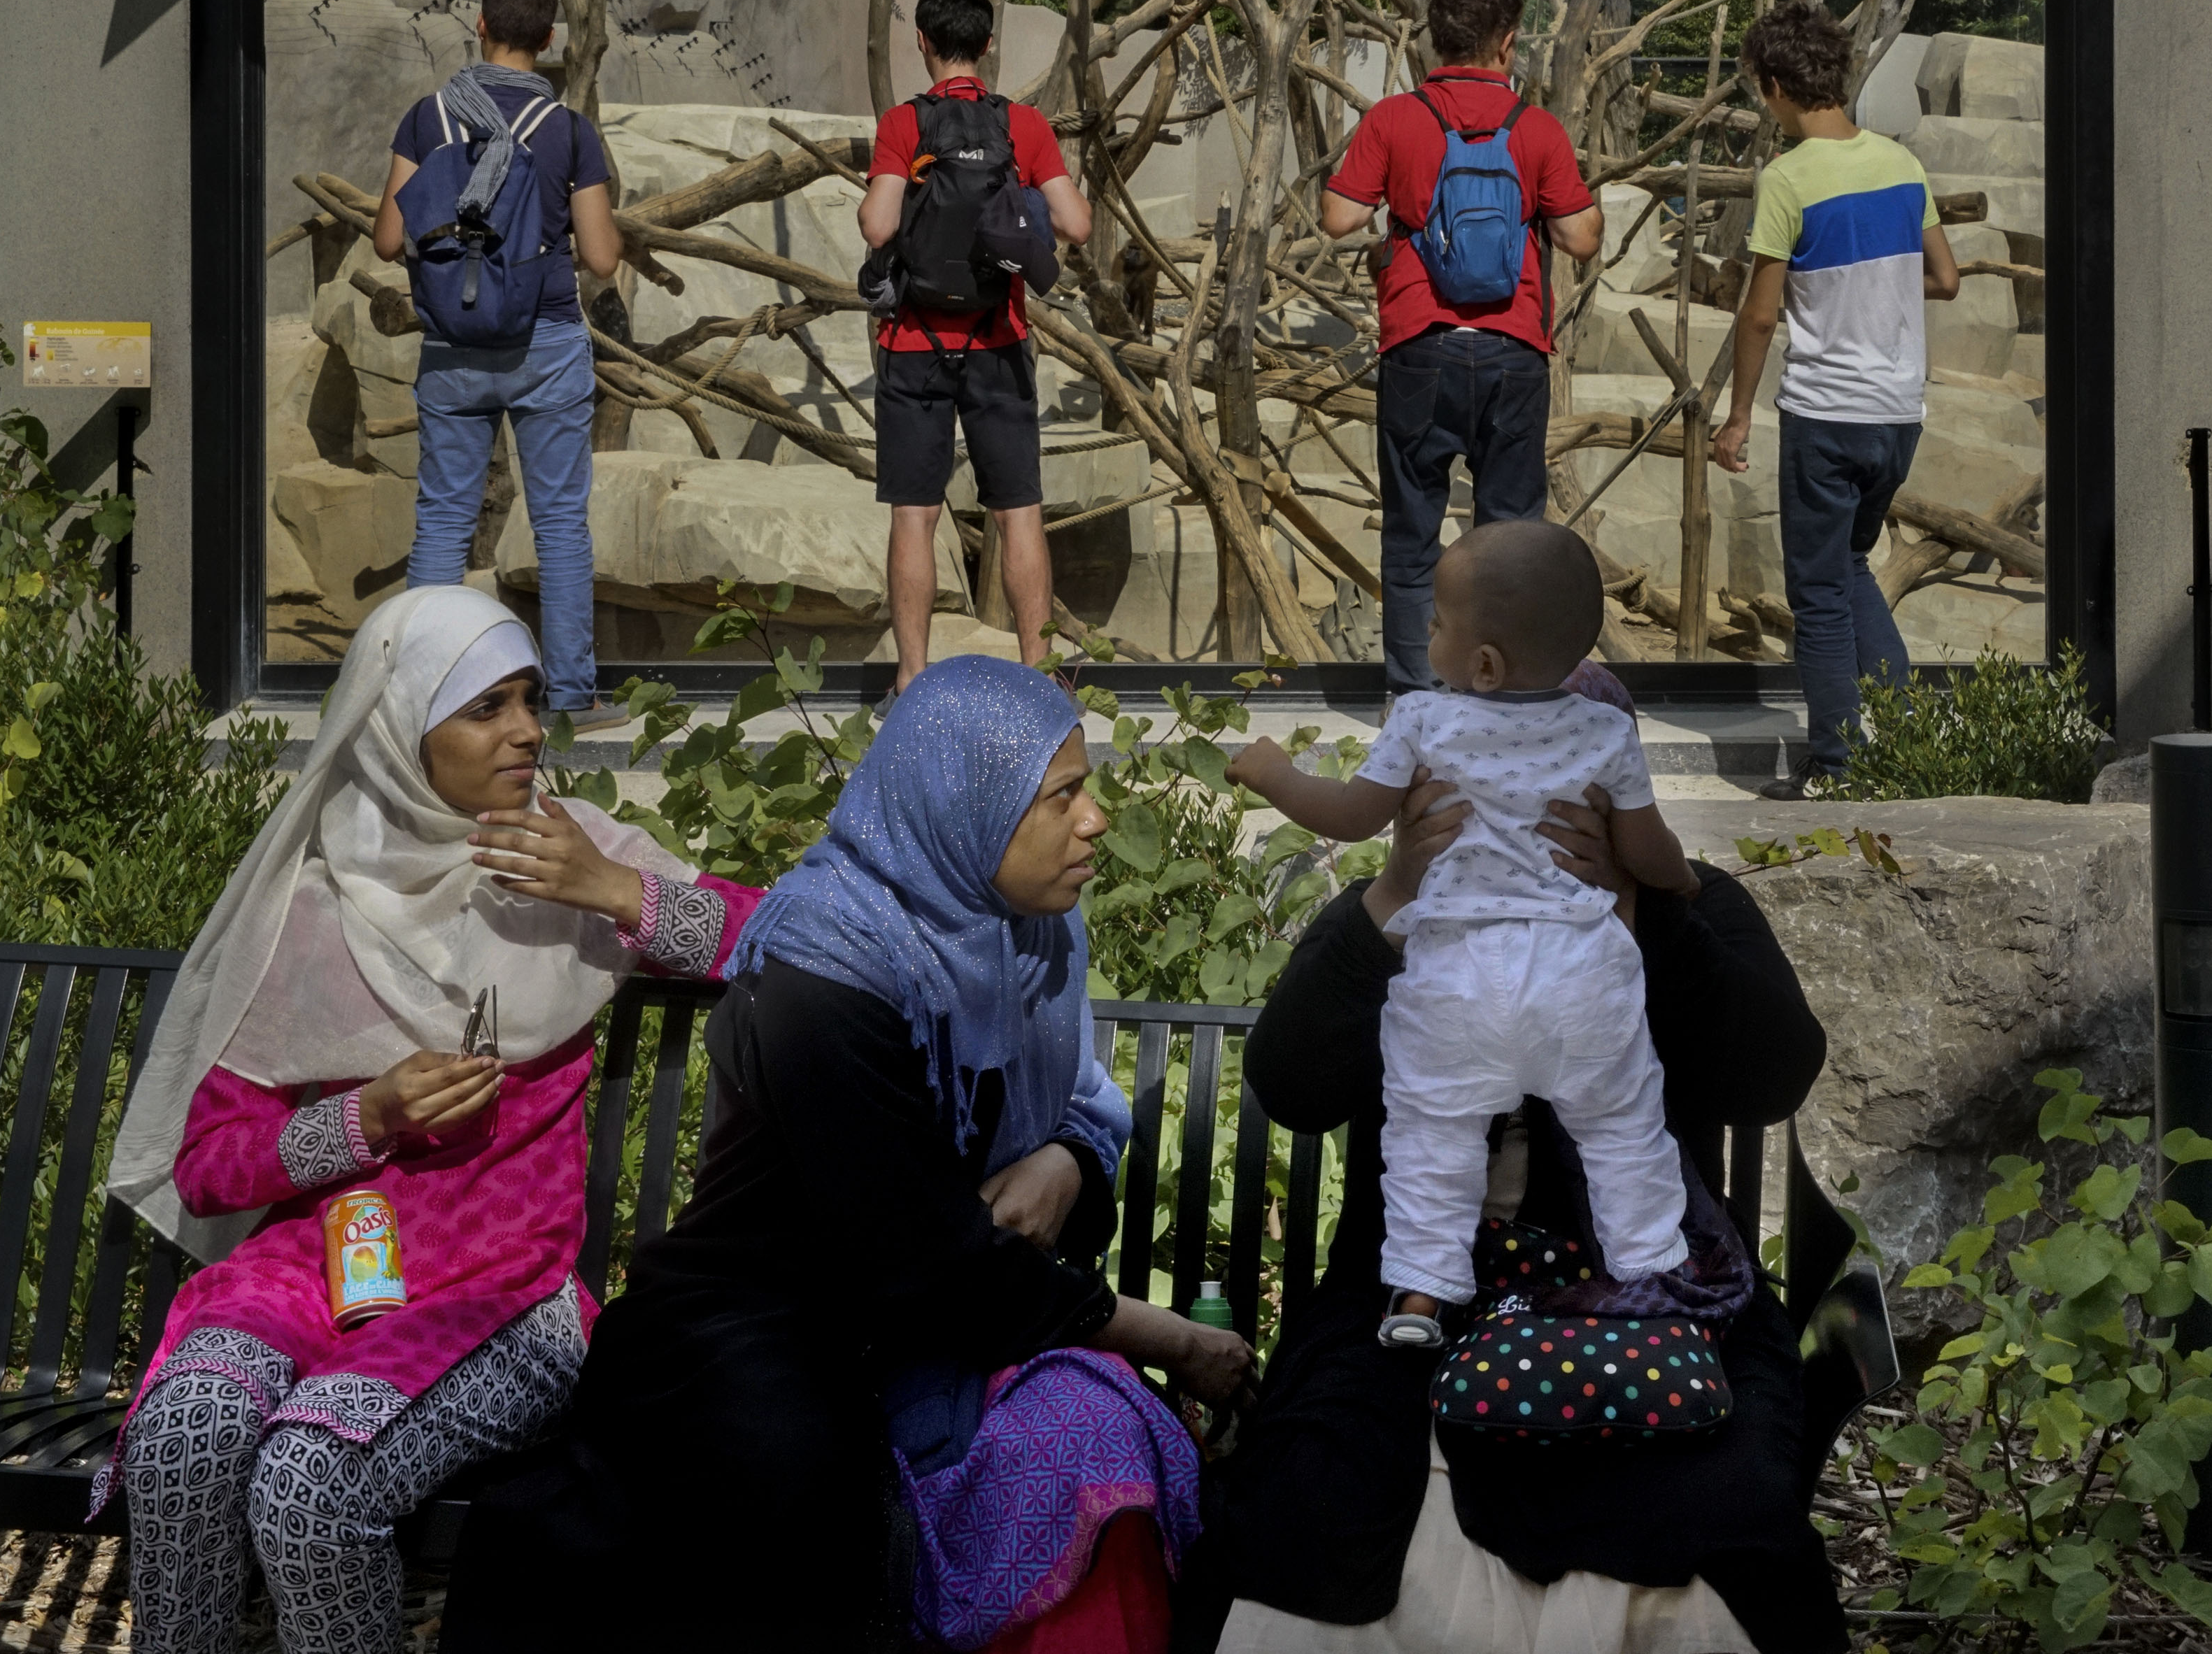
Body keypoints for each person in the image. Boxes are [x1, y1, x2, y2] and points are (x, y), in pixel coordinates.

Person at [444, 655, 1250, 1654]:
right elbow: (925, 1258)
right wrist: (1176, 1340)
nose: (1095, 820)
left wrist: (1068, 1160)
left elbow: (1071, 1110)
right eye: (1063, 797)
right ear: (965, 809)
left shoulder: (1025, 936)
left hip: (953, 1311)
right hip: (764, 1322)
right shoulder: (827, 974)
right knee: (797, 1497)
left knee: (1095, 1435)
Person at [103, 586, 761, 1654]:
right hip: (313, 1272)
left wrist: (615, 890)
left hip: (504, 1291)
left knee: (310, 1481)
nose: (528, 730)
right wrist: (366, 1116)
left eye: (530, 699)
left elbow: (776, 941)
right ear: (401, 730)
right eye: (487, 707)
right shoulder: (308, 907)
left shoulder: (570, 851)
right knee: (186, 1435)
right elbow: (210, 1168)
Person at [1174, 681, 1844, 1654]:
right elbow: (1294, 1085)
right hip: (1406, 1307)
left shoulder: (1689, 902)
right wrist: (1393, 895)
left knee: (1721, 1521)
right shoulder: (1399, 902)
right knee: (1310, 1508)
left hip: (1658, 1305)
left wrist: (1645, 912)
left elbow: (1774, 1072)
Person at [1229, 522, 1699, 1348]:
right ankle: (1650, 1271)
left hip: (1457, 969)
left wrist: (1273, 773)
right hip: (1581, 972)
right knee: (1623, 1124)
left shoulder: (1422, 719)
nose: (1426, 637)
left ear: (1482, 664)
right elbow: (1652, 844)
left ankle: (1420, 1291)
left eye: (1436, 623)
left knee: (1432, 1129)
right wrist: (1669, 879)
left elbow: (1350, 814)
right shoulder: (1606, 733)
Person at [1321, 0, 1605, 697]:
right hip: (1513, 351)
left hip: (1420, 345)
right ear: (1506, 44)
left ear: (1434, 40)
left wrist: (1392, 222)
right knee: (1509, 545)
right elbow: (1580, 237)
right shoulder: (1536, 128)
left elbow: (1338, 216)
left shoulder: (1395, 118)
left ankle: (1414, 703)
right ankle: (1504, 699)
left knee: (1411, 534)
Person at [1708, 3, 1960, 798]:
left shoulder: (1787, 178)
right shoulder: (1902, 164)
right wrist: (1873, 289)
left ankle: (1836, 767)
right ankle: (1904, 741)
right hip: (1898, 413)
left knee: (1817, 597)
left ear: (1774, 86)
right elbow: (1945, 278)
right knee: (1850, 566)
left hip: (1827, 413)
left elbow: (1759, 314)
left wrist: (1738, 415)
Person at [373, 0, 623, 729]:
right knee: (559, 525)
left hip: (453, 344)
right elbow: (602, 257)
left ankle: (422, 700)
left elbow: (388, 238)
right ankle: (571, 697)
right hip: (546, 340)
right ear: (548, 39)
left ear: (479, 25)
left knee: (442, 524)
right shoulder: (568, 131)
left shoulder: (430, 118)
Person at [859, 0, 1095, 696]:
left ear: (922, 43)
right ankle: (1038, 675)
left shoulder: (904, 123)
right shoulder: (1023, 125)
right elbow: (1077, 224)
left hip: (914, 344)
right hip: (998, 340)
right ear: (989, 46)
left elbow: (878, 225)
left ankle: (912, 675)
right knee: (1018, 511)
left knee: (914, 513)